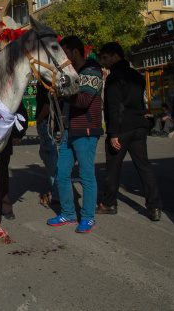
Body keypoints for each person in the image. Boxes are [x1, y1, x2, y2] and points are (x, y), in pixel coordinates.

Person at [97, 42, 162, 221]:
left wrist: (113, 133)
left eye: (105, 57)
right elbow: (140, 103)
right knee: (145, 167)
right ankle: (155, 207)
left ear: (116, 56)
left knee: (113, 168)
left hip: (121, 129)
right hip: (139, 126)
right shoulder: (137, 76)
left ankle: (109, 203)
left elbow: (113, 107)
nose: (103, 61)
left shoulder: (114, 77)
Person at [46, 36, 103, 233]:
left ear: (75, 52)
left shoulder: (92, 71)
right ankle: (68, 213)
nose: (63, 57)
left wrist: (62, 94)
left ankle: (88, 217)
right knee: (62, 174)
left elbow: (84, 100)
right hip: (68, 130)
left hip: (86, 130)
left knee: (87, 176)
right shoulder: (73, 73)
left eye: (65, 53)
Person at [0, 102, 29, 219]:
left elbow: (19, 109)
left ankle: (5, 206)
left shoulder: (7, 87)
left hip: (3, 138)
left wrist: (18, 133)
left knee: (1, 173)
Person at [35, 82, 60, 205]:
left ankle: (57, 193)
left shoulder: (47, 83)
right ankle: (56, 191)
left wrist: (39, 119)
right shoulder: (45, 81)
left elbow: (47, 102)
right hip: (48, 121)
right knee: (45, 153)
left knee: (50, 157)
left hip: (46, 121)